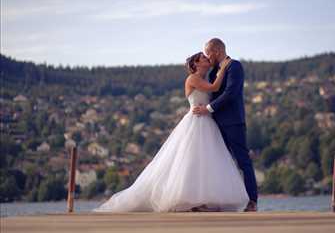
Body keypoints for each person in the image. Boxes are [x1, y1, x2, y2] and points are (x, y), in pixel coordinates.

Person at [93, 51, 249, 212]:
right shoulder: (193, 78)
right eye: (203, 58)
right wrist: (223, 68)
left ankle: (204, 200)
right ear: (195, 64)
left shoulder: (205, 78)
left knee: (206, 161)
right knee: (191, 161)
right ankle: (190, 200)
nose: (207, 59)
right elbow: (214, 87)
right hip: (196, 121)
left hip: (208, 122)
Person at [193, 38, 258, 211]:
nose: (207, 57)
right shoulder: (215, 71)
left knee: (243, 161)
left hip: (233, 122)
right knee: (217, 163)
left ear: (216, 51)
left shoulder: (234, 66)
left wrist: (208, 108)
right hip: (215, 124)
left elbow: (230, 93)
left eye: (208, 53)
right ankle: (215, 203)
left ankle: (252, 202)